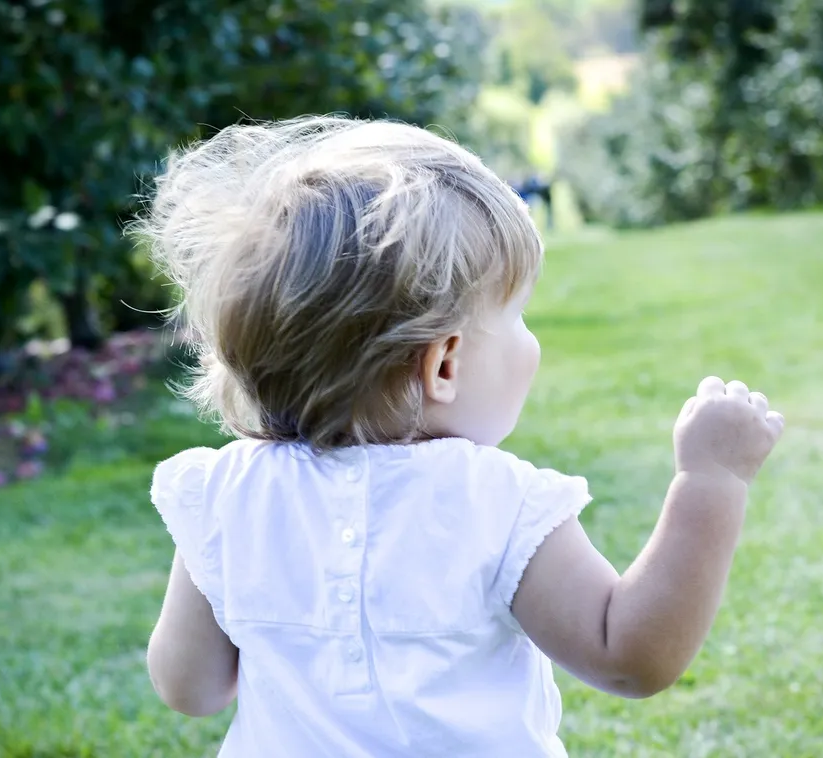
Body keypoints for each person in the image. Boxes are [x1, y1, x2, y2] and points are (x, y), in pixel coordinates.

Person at [138, 116, 785, 756]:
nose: (530, 340)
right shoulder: (494, 503)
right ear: (444, 365)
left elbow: (189, 687)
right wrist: (711, 482)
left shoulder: (223, 494)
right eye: (517, 316)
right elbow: (629, 657)